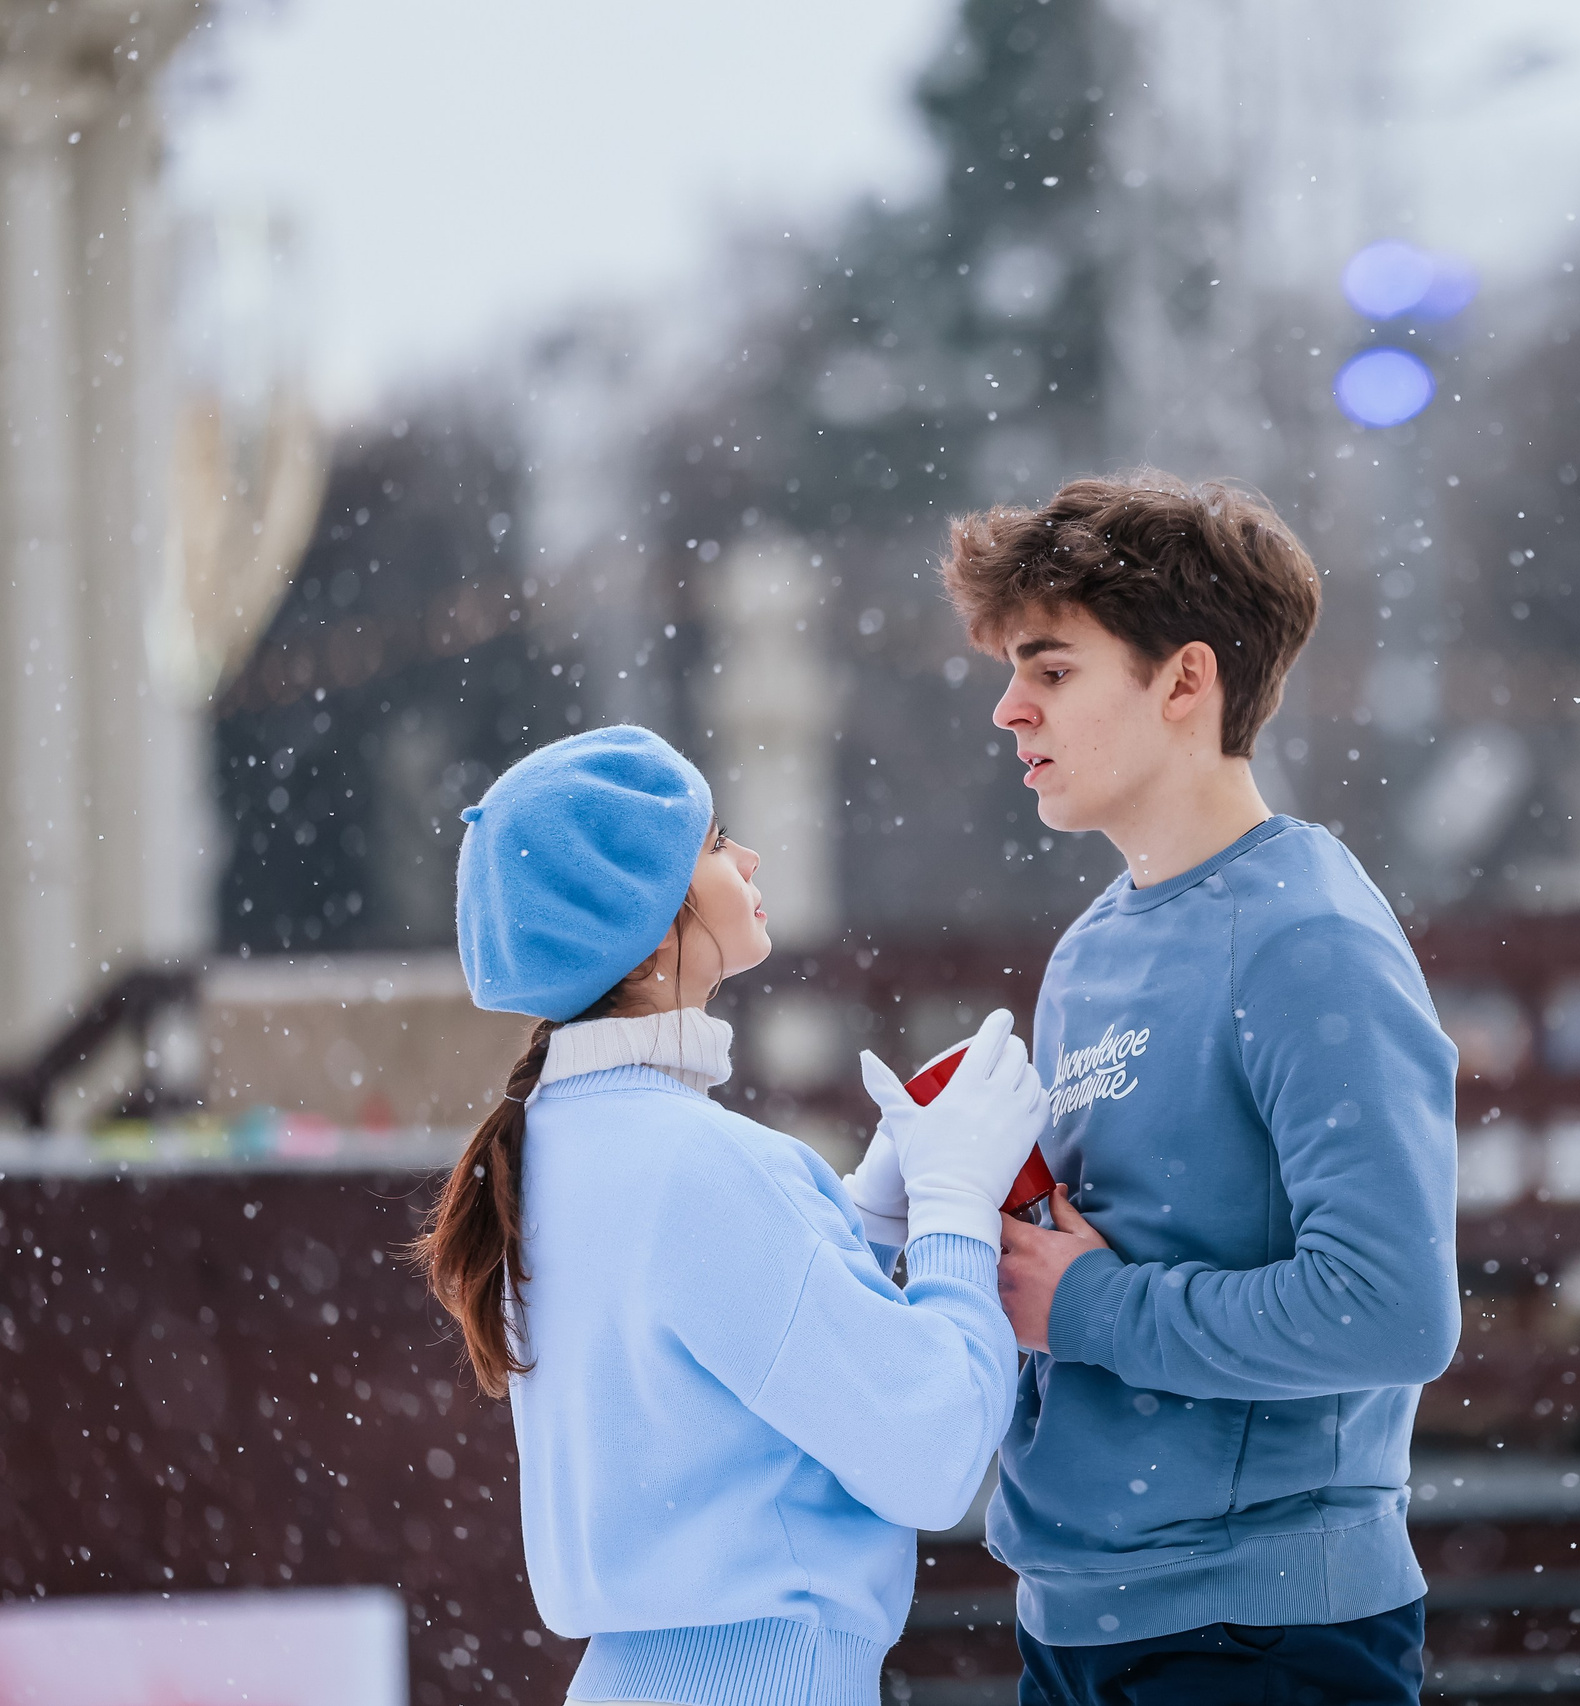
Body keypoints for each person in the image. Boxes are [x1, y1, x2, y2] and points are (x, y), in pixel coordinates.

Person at [953, 472, 1461, 1704]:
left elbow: (1393, 1311)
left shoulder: (1307, 939)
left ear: (1185, 681)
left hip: (1255, 1633)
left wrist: (1091, 1309)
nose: (1012, 709)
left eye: (1054, 669)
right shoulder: (1089, 948)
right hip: (1070, 1613)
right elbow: (1091, 1259)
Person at [412, 724, 1048, 1706]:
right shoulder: (706, 1166)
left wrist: (861, 1225)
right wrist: (956, 1212)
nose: (747, 858)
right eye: (713, 843)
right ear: (650, 908)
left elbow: (712, 1380)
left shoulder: (547, 1149)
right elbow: (930, 1450)